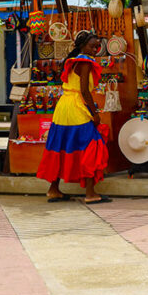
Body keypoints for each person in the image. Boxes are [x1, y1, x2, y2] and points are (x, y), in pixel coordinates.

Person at [37, 31, 111, 204]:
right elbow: (84, 91)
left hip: (63, 107)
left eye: (97, 46)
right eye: (92, 46)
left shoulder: (73, 60)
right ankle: (91, 193)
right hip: (76, 107)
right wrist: (95, 113)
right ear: (82, 46)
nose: (95, 49)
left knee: (60, 145)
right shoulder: (84, 62)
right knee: (90, 146)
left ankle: (53, 189)